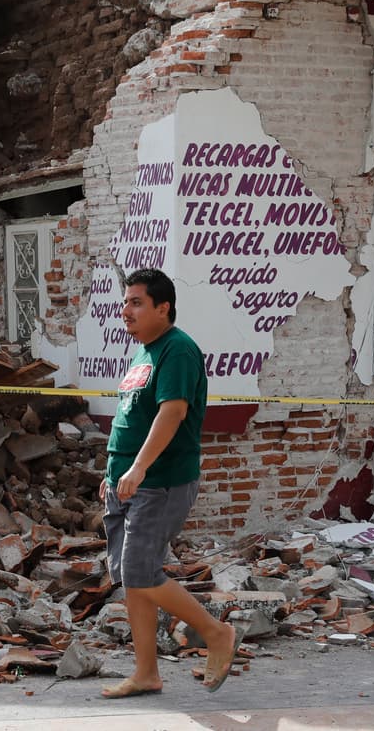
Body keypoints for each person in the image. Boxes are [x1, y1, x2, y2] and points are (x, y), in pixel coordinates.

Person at [98, 267, 239, 699]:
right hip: (126, 483)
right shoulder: (144, 352)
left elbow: (172, 413)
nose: (126, 311)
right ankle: (146, 673)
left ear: (164, 307)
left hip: (160, 482)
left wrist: (138, 468)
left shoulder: (176, 350)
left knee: (140, 572)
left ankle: (216, 633)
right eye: (125, 302)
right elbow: (130, 419)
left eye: (137, 302)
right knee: (132, 577)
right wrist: (111, 474)